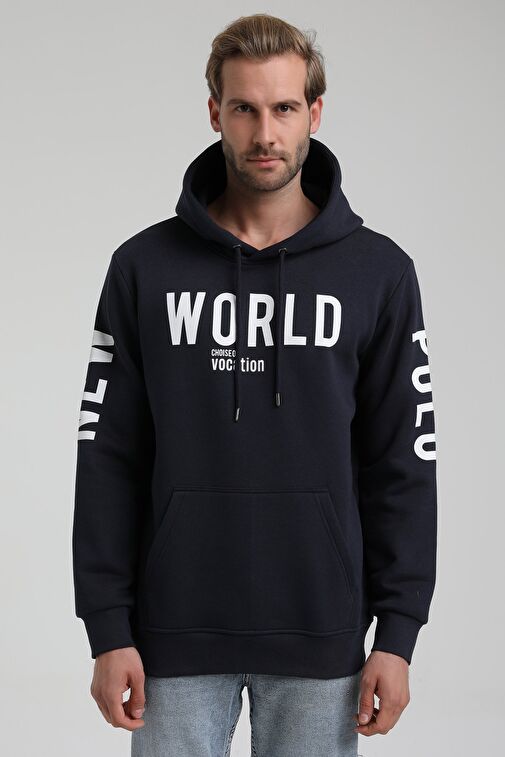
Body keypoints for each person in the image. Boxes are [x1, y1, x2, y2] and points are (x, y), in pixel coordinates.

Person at [72, 12, 438, 757]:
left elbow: (403, 460)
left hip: (320, 630)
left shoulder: (378, 273)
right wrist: (107, 626)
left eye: (284, 107)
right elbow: (107, 453)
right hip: (172, 632)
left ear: (314, 113)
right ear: (215, 113)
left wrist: (397, 634)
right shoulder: (144, 268)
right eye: (244, 108)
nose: (264, 133)